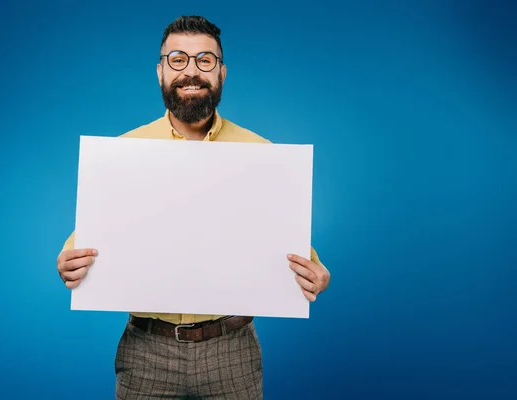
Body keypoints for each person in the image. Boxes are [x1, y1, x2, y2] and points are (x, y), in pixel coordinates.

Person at [56, 15, 331, 400]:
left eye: (204, 60)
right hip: (147, 352)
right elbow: (82, 246)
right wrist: (68, 261)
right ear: (160, 71)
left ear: (221, 72)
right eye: (178, 59)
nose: (191, 71)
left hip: (232, 350)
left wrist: (318, 274)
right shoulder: (123, 154)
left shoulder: (263, 155)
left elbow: (297, 253)